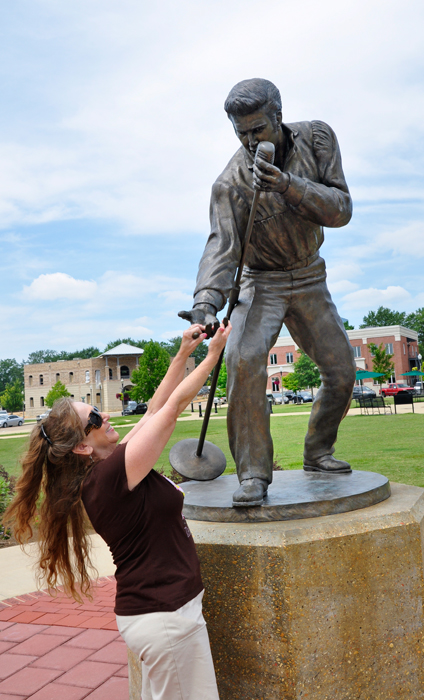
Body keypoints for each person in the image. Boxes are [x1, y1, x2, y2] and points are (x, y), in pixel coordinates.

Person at [4, 323, 231, 700]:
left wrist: (181, 354)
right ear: (81, 447)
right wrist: (212, 357)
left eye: (96, 410)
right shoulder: (109, 478)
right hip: (164, 617)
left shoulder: (108, 472)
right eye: (93, 419)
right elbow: (171, 411)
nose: (104, 416)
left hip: (163, 613)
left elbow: (155, 407)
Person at [179, 78, 356, 507]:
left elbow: (341, 210)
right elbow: (222, 247)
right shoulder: (229, 184)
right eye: (240, 132)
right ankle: (254, 474)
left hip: (310, 275)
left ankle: (318, 451)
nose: (248, 140)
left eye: (257, 129)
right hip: (262, 284)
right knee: (244, 361)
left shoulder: (317, 137)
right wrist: (206, 303)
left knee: (342, 371)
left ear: (278, 116)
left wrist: (288, 186)